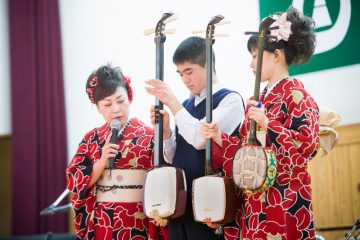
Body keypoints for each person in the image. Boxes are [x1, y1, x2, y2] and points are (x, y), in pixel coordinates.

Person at [202, 6, 319, 239]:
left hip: (284, 196)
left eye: (256, 55)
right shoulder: (257, 99)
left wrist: (268, 123)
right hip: (254, 198)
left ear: (276, 55)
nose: (250, 63)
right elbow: (246, 150)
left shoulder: (296, 94)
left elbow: (308, 146)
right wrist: (218, 137)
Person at [145, 36, 245, 240]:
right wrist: (166, 133)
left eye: (189, 71)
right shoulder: (186, 106)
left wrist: (172, 103)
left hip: (210, 202)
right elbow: (176, 158)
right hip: (180, 204)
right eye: (180, 74)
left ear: (208, 66)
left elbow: (201, 139)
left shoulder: (230, 100)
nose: (185, 80)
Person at [66, 64, 168, 240]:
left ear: (130, 98)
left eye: (120, 101)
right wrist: (101, 162)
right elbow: (73, 181)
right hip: (103, 219)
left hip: (138, 218)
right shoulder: (91, 138)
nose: (116, 109)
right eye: (107, 104)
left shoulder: (150, 135)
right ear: (98, 107)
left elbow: (164, 178)